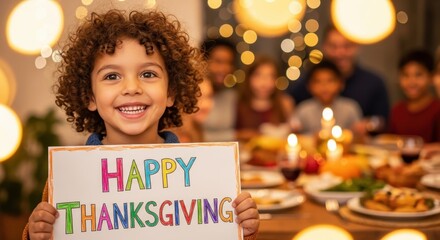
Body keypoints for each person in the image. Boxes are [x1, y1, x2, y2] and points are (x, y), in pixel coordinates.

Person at [23, 10, 259, 240]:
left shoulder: (200, 174)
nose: (132, 87)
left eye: (148, 74)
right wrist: (36, 235)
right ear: (90, 97)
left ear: (171, 92)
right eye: (111, 76)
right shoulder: (68, 179)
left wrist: (242, 230)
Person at [286, 25, 390, 130]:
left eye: (347, 46)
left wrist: (368, 125)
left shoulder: (373, 83)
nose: (340, 53)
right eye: (333, 46)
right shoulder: (306, 82)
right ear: (324, 47)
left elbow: (382, 120)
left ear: (357, 46)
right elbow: (288, 103)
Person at [295, 59, 362, 134]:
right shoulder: (304, 110)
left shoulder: (350, 108)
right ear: (309, 86)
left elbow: (358, 134)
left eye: (330, 81)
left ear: (341, 84)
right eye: (318, 81)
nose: (324, 86)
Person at [235, 56, 294, 141]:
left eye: (271, 76)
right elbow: (229, 133)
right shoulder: (238, 104)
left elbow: (292, 133)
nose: (264, 83)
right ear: (249, 78)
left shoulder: (285, 103)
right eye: (258, 75)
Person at [389, 50, 440, 143]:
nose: (411, 82)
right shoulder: (397, 110)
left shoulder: (437, 109)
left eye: (418, 75)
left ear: (431, 77)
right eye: (405, 75)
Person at [200, 38, 238, 141]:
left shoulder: (231, 96)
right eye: (218, 61)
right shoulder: (191, 94)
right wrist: (238, 136)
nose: (224, 68)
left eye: (228, 63)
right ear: (203, 62)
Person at [173, 78, 214, 142]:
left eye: (209, 96)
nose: (206, 105)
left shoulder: (196, 129)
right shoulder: (176, 138)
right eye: (198, 97)